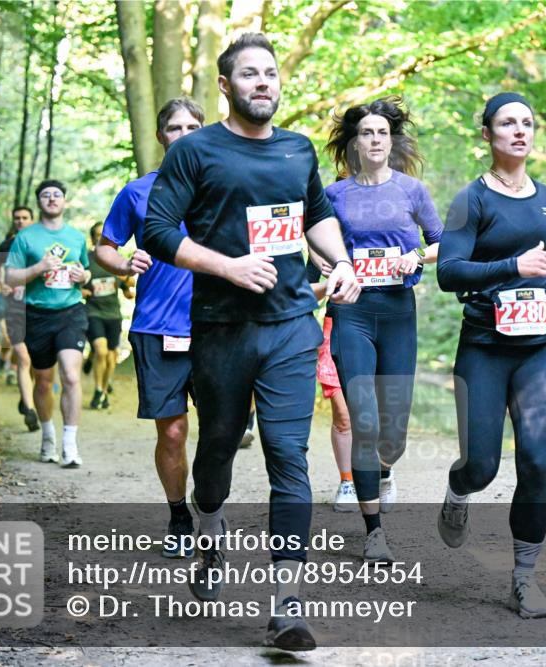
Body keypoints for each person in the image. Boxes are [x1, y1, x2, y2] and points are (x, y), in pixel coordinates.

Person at [143, 33, 360, 651]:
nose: (263, 82)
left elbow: (315, 213)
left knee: (288, 456)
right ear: (225, 86)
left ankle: (286, 604)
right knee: (215, 454)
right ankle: (208, 532)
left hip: (292, 324)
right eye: (249, 74)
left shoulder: (296, 151)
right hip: (219, 330)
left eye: (269, 73)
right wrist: (226, 266)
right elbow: (158, 230)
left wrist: (339, 262)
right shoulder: (197, 152)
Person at [436, 92, 546, 619]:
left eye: (527, 123)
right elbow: (448, 272)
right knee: (483, 466)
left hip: (537, 349)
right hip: (485, 348)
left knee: (536, 461)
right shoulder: (472, 199)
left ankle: (524, 580)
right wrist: (513, 265)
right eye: (506, 123)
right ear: (486, 135)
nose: (519, 130)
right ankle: (457, 489)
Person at [323, 97, 442, 561]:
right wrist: (337, 267)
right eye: (366, 133)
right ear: (354, 143)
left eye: (382, 133)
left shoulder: (411, 191)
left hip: (397, 312)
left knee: (392, 433)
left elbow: (442, 242)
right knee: (364, 422)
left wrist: (416, 256)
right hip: (352, 312)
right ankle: (374, 531)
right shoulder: (335, 195)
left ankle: (384, 470)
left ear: (391, 141)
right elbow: (314, 244)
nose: (374, 140)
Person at [96, 97, 204, 559]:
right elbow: (104, 247)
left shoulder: (224, 186)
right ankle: (180, 514)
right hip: (157, 326)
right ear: (162, 136)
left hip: (216, 327)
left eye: (192, 127)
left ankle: (212, 508)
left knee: (224, 429)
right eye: (174, 128)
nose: (182, 135)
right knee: (173, 433)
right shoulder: (137, 191)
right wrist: (123, 264)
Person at [5, 180, 91, 468]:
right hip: (37, 314)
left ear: (64, 201)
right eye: (46, 195)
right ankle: (47, 436)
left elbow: (87, 272)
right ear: (39, 202)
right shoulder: (26, 238)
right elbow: (11, 277)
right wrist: (38, 268)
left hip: (70, 312)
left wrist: (84, 278)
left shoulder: (77, 237)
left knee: (71, 375)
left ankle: (70, 444)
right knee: (43, 382)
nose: (52, 199)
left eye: (57, 195)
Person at [306, 255, 356, 513]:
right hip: (337, 326)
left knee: (375, 415)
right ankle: (347, 481)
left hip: (386, 328)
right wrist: (328, 283)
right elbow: (301, 291)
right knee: (344, 416)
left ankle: (382, 472)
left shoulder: (387, 231)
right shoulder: (326, 243)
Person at [0, 206, 40, 431]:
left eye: (25, 217)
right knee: (23, 358)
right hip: (14, 309)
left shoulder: (39, 244)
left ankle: (27, 396)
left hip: (37, 310)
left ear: (32, 220)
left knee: (35, 361)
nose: (20, 221)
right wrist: (0, 284)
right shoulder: (5, 247)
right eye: (17, 218)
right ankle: (30, 411)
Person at [83, 221, 133, 410]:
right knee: (101, 351)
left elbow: (127, 289)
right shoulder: (86, 260)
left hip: (113, 314)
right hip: (93, 312)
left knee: (112, 357)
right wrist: (80, 291)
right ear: (92, 238)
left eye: (102, 234)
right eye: (96, 235)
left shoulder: (117, 260)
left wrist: (131, 289)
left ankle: (103, 391)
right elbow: (74, 283)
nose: (99, 238)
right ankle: (97, 389)